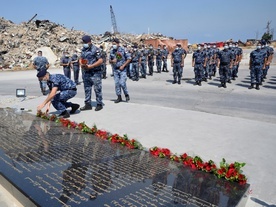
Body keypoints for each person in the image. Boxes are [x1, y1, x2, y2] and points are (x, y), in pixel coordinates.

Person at [79, 35, 104, 111]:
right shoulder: (83, 49)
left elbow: (100, 60)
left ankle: (99, 104)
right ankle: (87, 104)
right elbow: (81, 58)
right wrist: (81, 64)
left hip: (95, 72)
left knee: (97, 89)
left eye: (85, 42)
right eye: (83, 42)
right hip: (86, 72)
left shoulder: (96, 49)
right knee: (87, 88)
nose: (84, 43)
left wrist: (91, 66)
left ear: (89, 41)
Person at [109, 38, 131, 103]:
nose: (113, 45)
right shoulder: (112, 51)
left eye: (114, 44)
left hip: (122, 69)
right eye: (112, 44)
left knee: (122, 83)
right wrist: (112, 61)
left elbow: (129, 59)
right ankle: (119, 97)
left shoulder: (123, 50)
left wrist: (123, 65)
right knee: (117, 84)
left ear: (118, 44)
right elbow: (109, 60)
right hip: (115, 70)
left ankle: (126, 94)